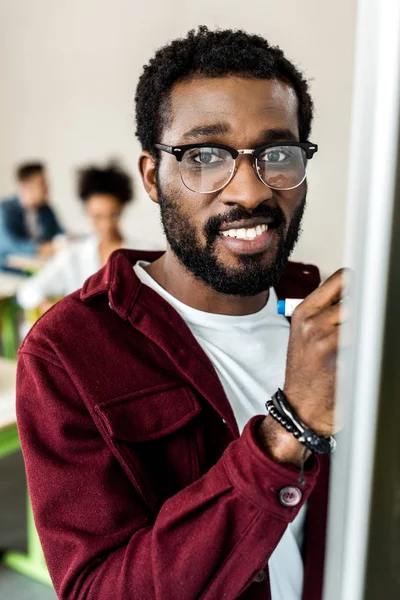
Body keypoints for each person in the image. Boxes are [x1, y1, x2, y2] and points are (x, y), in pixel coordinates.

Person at [16, 27, 345, 600]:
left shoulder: (320, 316)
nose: (249, 190)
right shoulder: (69, 352)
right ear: (152, 177)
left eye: (278, 154)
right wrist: (290, 428)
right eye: (206, 156)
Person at [16, 162, 158, 313]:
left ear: (122, 209)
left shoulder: (148, 253)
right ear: (86, 212)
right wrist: (56, 312)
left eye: (113, 215)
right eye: (97, 217)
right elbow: (27, 292)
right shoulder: (73, 254)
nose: (106, 224)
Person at [0, 162, 64, 269]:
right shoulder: (5, 210)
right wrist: (40, 248)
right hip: (10, 270)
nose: (47, 188)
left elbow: (60, 235)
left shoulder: (46, 210)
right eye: (42, 183)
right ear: (25, 186)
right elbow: (10, 244)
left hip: (40, 266)